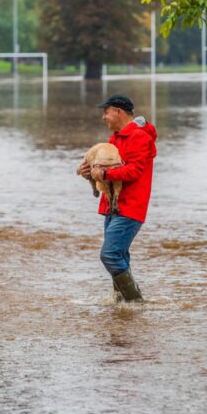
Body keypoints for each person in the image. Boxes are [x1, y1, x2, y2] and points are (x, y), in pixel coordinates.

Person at [78, 94, 157, 302]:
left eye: (106, 112)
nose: (104, 117)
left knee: (110, 255)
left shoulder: (140, 137)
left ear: (118, 112)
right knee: (119, 255)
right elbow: (107, 168)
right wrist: (89, 171)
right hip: (113, 208)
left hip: (130, 208)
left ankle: (135, 302)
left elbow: (135, 171)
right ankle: (122, 304)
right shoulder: (115, 138)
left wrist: (104, 174)